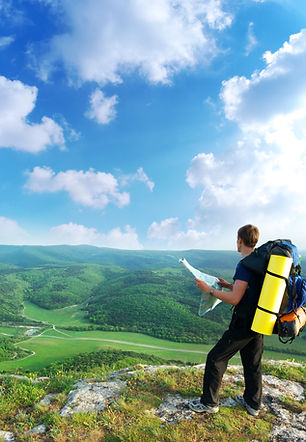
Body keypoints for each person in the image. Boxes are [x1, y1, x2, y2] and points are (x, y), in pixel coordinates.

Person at [189, 224, 263, 417]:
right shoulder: (259, 261)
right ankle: (253, 404)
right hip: (260, 319)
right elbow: (248, 290)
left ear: (240, 240)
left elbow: (235, 299)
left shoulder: (244, 264)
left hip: (244, 321)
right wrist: (229, 285)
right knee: (253, 362)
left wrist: (209, 290)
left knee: (215, 358)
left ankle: (209, 403)